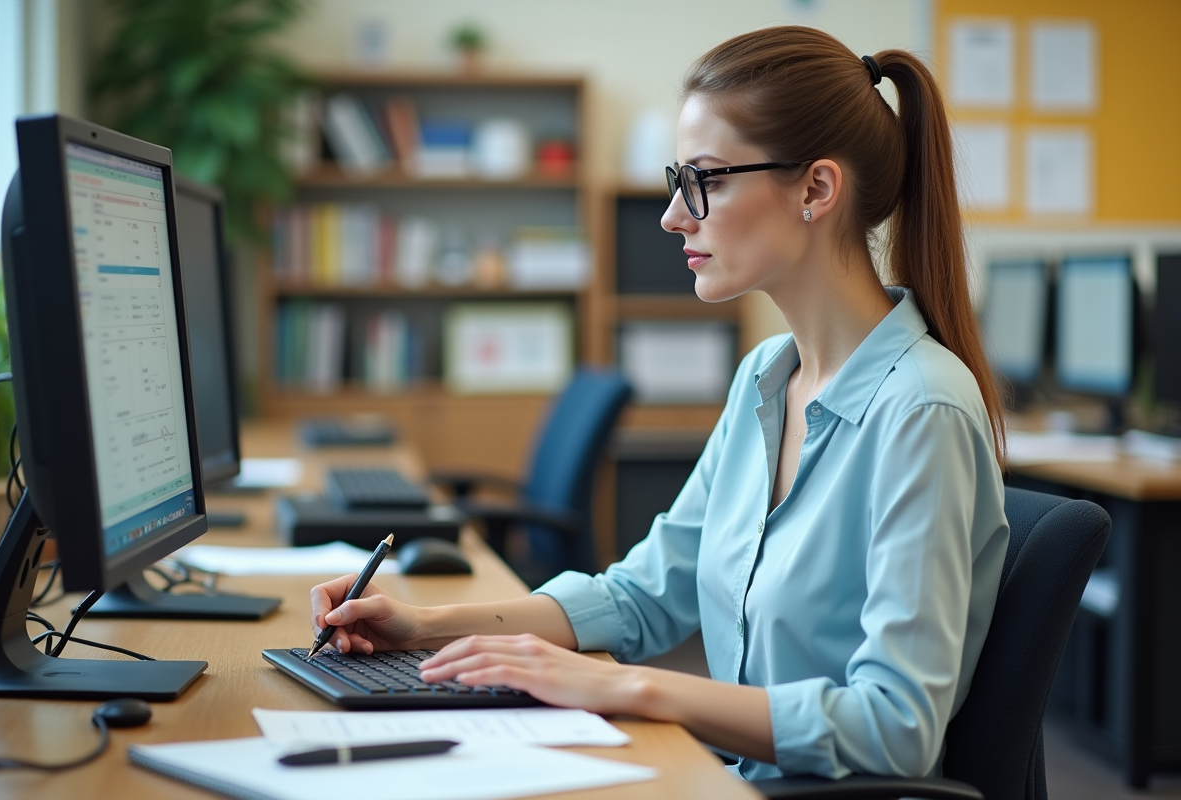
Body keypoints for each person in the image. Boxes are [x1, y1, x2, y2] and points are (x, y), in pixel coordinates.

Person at [310, 25, 1009, 782]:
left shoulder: (922, 411)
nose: (676, 214)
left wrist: (627, 687)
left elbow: (896, 726)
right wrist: (422, 625)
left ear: (816, 189)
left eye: (703, 180)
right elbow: (643, 597)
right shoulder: (764, 381)